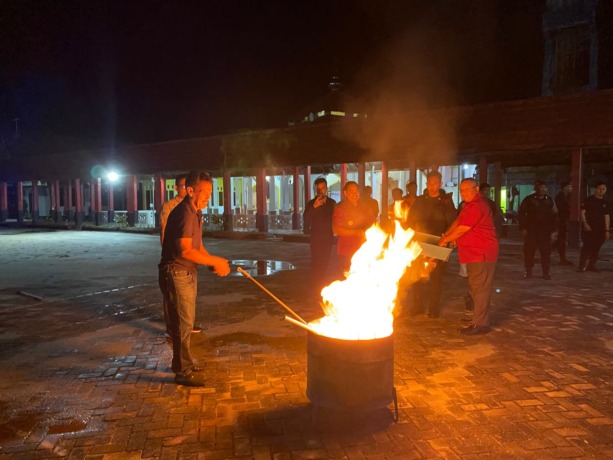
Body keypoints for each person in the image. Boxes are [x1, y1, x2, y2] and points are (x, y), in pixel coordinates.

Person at [158, 171, 231, 387]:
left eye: (211, 192)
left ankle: (185, 363)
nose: (209, 196)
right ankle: (182, 371)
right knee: (182, 323)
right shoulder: (185, 213)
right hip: (177, 272)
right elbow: (185, 251)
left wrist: (210, 260)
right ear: (190, 190)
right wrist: (216, 261)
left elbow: (197, 247)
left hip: (186, 272)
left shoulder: (195, 211)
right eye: (204, 192)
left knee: (186, 322)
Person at [439, 178, 498, 335]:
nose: (464, 193)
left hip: (482, 253)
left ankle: (480, 323)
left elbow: (463, 228)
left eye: (467, 189)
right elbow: (458, 223)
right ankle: (478, 318)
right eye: (461, 190)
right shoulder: (469, 206)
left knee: (480, 289)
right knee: (475, 287)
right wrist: (446, 235)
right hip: (473, 254)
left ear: (476, 189)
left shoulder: (478, 206)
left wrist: (445, 240)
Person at [406, 171, 457, 318]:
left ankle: (433, 308)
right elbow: (411, 219)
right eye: (429, 184)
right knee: (417, 275)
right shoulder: (420, 200)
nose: (432, 187)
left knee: (436, 277)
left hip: (438, 242)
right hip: (420, 241)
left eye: (435, 184)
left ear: (440, 184)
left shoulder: (446, 201)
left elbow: (452, 221)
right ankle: (417, 305)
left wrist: (448, 238)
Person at [159, 173, 202, 334]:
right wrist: (168, 253)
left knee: (187, 299)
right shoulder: (171, 207)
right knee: (172, 297)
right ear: (177, 188)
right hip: (175, 260)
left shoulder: (194, 208)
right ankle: (172, 327)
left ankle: (186, 325)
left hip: (188, 261)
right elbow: (164, 232)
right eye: (183, 186)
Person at [333, 181, 376, 274]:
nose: (355, 194)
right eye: (351, 191)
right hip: (347, 250)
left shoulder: (364, 206)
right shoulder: (340, 208)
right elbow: (336, 229)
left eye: (357, 191)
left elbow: (373, 222)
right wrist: (356, 232)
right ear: (345, 193)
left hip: (364, 248)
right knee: (348, 276)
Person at [303, 177, 337, 294]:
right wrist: (315, 207)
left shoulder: (332, 203)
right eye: (318, 189)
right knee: (316, 261)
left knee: (325, 261)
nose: (320, 191)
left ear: (326, 188)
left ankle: (323, 285)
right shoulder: (311, 203)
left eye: (323, 188)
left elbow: (335, 218)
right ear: (315, 189)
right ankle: (315, 286)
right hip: (316, 237)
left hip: (328, 237)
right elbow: (306, 218)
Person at [518, 181, 558, 280]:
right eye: (540, 187)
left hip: (545, 231)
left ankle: (545, 272)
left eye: (545, 187)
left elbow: (555, 215)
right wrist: (523, 228)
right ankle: (528, 271)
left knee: (545, 252)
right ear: (536, 188)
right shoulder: (529, 200)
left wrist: (555, 230)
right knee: (529, 252)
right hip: (531, 230)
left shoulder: (549, 200)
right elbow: (522, 214)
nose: (543, 189)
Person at [578, 182, 610, 272]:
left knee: (597, 247)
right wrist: (585, 223)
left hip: (600, 229)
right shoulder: (589, 200)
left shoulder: (605, 202)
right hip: (589, 228)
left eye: (603, 189)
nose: (601, 191)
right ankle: (581, 266)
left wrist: (607, 230)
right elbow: (582, 213)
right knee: (587, 247)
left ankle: (591, 265)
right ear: (595, 189)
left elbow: (606, 216)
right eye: (599, 188)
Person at [555, 181, 573, 265]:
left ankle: (563, 258)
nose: (571, 188)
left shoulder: (565, 197)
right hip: (560, 221)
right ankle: (562, 258)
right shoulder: (561, 197)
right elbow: (560, 210)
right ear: (565, 187)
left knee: (561, 240)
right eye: (570, 186)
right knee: (561, 240)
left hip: (562, 221)